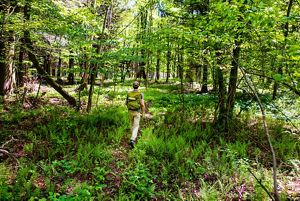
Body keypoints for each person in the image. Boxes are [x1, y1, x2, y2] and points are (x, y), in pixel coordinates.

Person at [125, 81, 145, 148]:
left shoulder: (129, 93)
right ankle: (132, 139)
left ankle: (132, 136)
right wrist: (143, 113)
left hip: (130, 111)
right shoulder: (141, 94)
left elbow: (126, 103)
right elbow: (142, 104)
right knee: (136, 126)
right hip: (137, 112)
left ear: (133, 86)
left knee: (132, 124)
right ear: (138, 86)